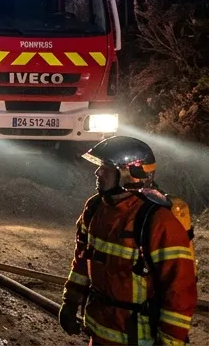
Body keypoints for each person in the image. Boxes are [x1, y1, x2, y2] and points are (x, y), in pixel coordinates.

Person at [60, 136, 196, 345]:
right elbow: (82, 259)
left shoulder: (158, 221)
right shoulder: (95, 208)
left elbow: (179, 288)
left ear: (128, 174)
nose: (98, 172)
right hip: (99, 332)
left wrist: (170, 342)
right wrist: (70, 301)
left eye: (106, 167)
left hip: (138, 338)